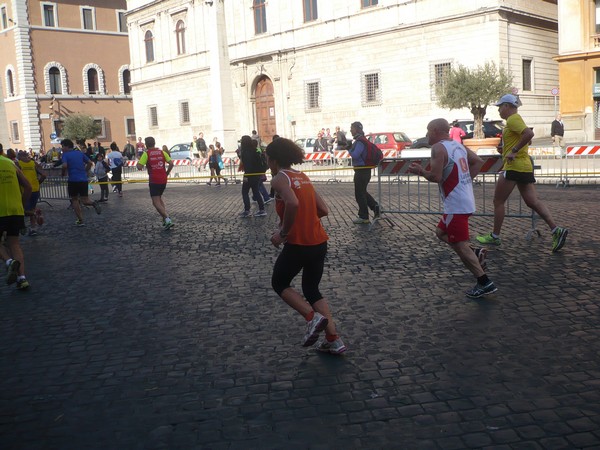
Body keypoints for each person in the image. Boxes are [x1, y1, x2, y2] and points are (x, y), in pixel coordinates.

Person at [266, 138, 346, 354]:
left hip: (298, 243)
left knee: (279, 282)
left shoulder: (279, 179)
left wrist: (283, 233)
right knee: (312, 290)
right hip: (319, 242)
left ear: (273, 160)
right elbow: (323, 209)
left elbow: (292, 203)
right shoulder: (302, 176)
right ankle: (333, 339)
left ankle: (312, 318)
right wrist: (303, 218)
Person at [408, 119, 496, 298]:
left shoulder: (438, 148)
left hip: (455, 204)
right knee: (440, 233)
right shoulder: (457, 145)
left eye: (427, 130)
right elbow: (478, 162)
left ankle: (484, 282)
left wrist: (420, 171)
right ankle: (475, 253)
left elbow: (436, 177)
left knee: (460, 245)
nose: (426, 135)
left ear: (434, 130)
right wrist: (465, 181)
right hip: (464, 200)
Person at [476, 94, 568, 252]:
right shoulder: (515, 120)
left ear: (507, 106)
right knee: (533, 202)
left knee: (498, 202)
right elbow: (527, 139)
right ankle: (556, 230)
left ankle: (495, 236)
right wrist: (507, 148)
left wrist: (513, 150)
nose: (498, 110)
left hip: (513, 166)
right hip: (523, 166)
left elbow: (529, 135)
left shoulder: (513, 119)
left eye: (500, 107)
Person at [0, 151, 32, 290]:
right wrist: (22, 205)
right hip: (15, 209)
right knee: (14, 243)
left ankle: (9, 261)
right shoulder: (11, 163)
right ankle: (22, 278)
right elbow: (28, 186)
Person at [60, 139, 101, 226]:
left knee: (74, 200)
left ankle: (80, 220)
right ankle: (94, 203)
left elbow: (64, 165)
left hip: (73, 180)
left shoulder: (65, 155)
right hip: (83, 179)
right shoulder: (80, 153)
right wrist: (85, 171)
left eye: (62, 146)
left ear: (67, 146)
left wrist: (63, 173)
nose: (62, 148)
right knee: (85, 200)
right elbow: (90, 163)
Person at [136, 136, 175, 230]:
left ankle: (167, 218)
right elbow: (171, 163)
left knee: (155, 202)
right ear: (154, 143)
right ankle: (165, 220)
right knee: (159, 199)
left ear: (146, 144)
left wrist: (139, 162)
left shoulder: (146, 154)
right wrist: (167, 173)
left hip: (154, 180)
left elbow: (139, 167)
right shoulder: (162, 152)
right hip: (163, 179)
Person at [348, 121, 380, 224]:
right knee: (363, 192)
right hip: (365, 170)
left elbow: (356, 155)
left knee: (359, 193)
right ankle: (376, 209)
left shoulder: (360, 141)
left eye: (351, 128)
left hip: (361, 170)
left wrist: (349, 149)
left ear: (356, 129)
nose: (350, 130)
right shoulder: (362, 140)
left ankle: (364, 216)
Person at [17, 151, 46, 235]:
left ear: (20, 156)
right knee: (32, 208)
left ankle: (34, 217)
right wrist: (38, 183)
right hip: (35, 190)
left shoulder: (18, 164)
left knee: (24, 210)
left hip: (25, 190)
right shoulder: (34, 163)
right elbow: (44, 175)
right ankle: (33, 229)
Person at [238, 135, 266, 217]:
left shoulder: (246, 152)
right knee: (256, 191)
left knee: (245, 192)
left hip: (249, 174)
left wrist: (246, 176)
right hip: (257, 174)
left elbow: (248, 165)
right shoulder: (254, 150)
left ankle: (247, 210)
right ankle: (262, 209)